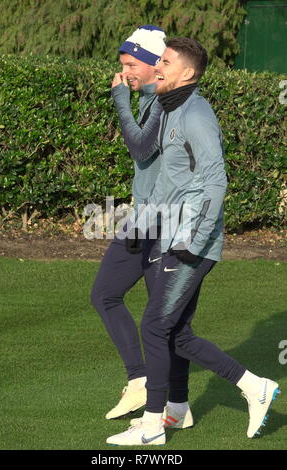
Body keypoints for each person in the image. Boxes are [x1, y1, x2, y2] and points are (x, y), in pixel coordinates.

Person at [107, 37, 280, 446]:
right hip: (168, 234)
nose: (158, 67)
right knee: (176, 331)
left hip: (189, 243)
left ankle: (152, 424)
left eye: (165, 62)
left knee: (155, 325)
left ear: (188, 73)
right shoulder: (169, 106)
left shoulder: (196, 115)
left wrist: (191, 240)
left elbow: (215, 181)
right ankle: (191, 407)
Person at [91, 26, 193, 429]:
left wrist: (120, 102)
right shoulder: (154, 100)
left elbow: (141, 147)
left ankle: (170, 401)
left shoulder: (164, 102)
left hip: (161, 220)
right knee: (112, 297)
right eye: (123, 66)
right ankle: (152, 388)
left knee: (162, 318)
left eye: (133, 64)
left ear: (156, 66)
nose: (126, 73)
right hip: (147, 217)